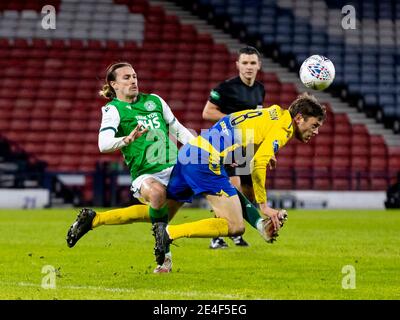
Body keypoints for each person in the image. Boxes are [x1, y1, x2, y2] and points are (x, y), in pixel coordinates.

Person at [152, 92, 326, 266]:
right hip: (205, 160)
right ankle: (169, 233)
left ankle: (164, 262)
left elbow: (234, 121)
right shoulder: (284, 128)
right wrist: (264, 205)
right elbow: (258, 164)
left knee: (163, 212)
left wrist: (257, 151)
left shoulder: (274, 112)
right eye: (314, 125)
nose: (316, 131)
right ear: (299, 118)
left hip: (191, 151)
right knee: (235, 226)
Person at [66, 62, 194, 273]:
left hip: (174, 169)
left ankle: (94, 219)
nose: (133, 80)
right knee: (157, 194)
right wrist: (126, 139)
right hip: (146, 174)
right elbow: (103, 143)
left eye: (134, 76)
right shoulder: (113, 109)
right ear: (113, 84)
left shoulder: (154, 100)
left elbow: (179, 130)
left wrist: (202, 150)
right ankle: (165, 260)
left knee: (158, 214)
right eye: (126, 77)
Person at [202, 45, 266, 249]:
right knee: (232, 186)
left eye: (252, 63)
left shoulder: (260, 89)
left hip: (246, 146)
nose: (249, 67)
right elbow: (208, 113)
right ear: (238, 65)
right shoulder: (225, 88)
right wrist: (235, 122)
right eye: (245, 63)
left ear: (259, 65)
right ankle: (216, 236)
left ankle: (237, 232)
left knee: (249, 191)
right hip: (226, 144)